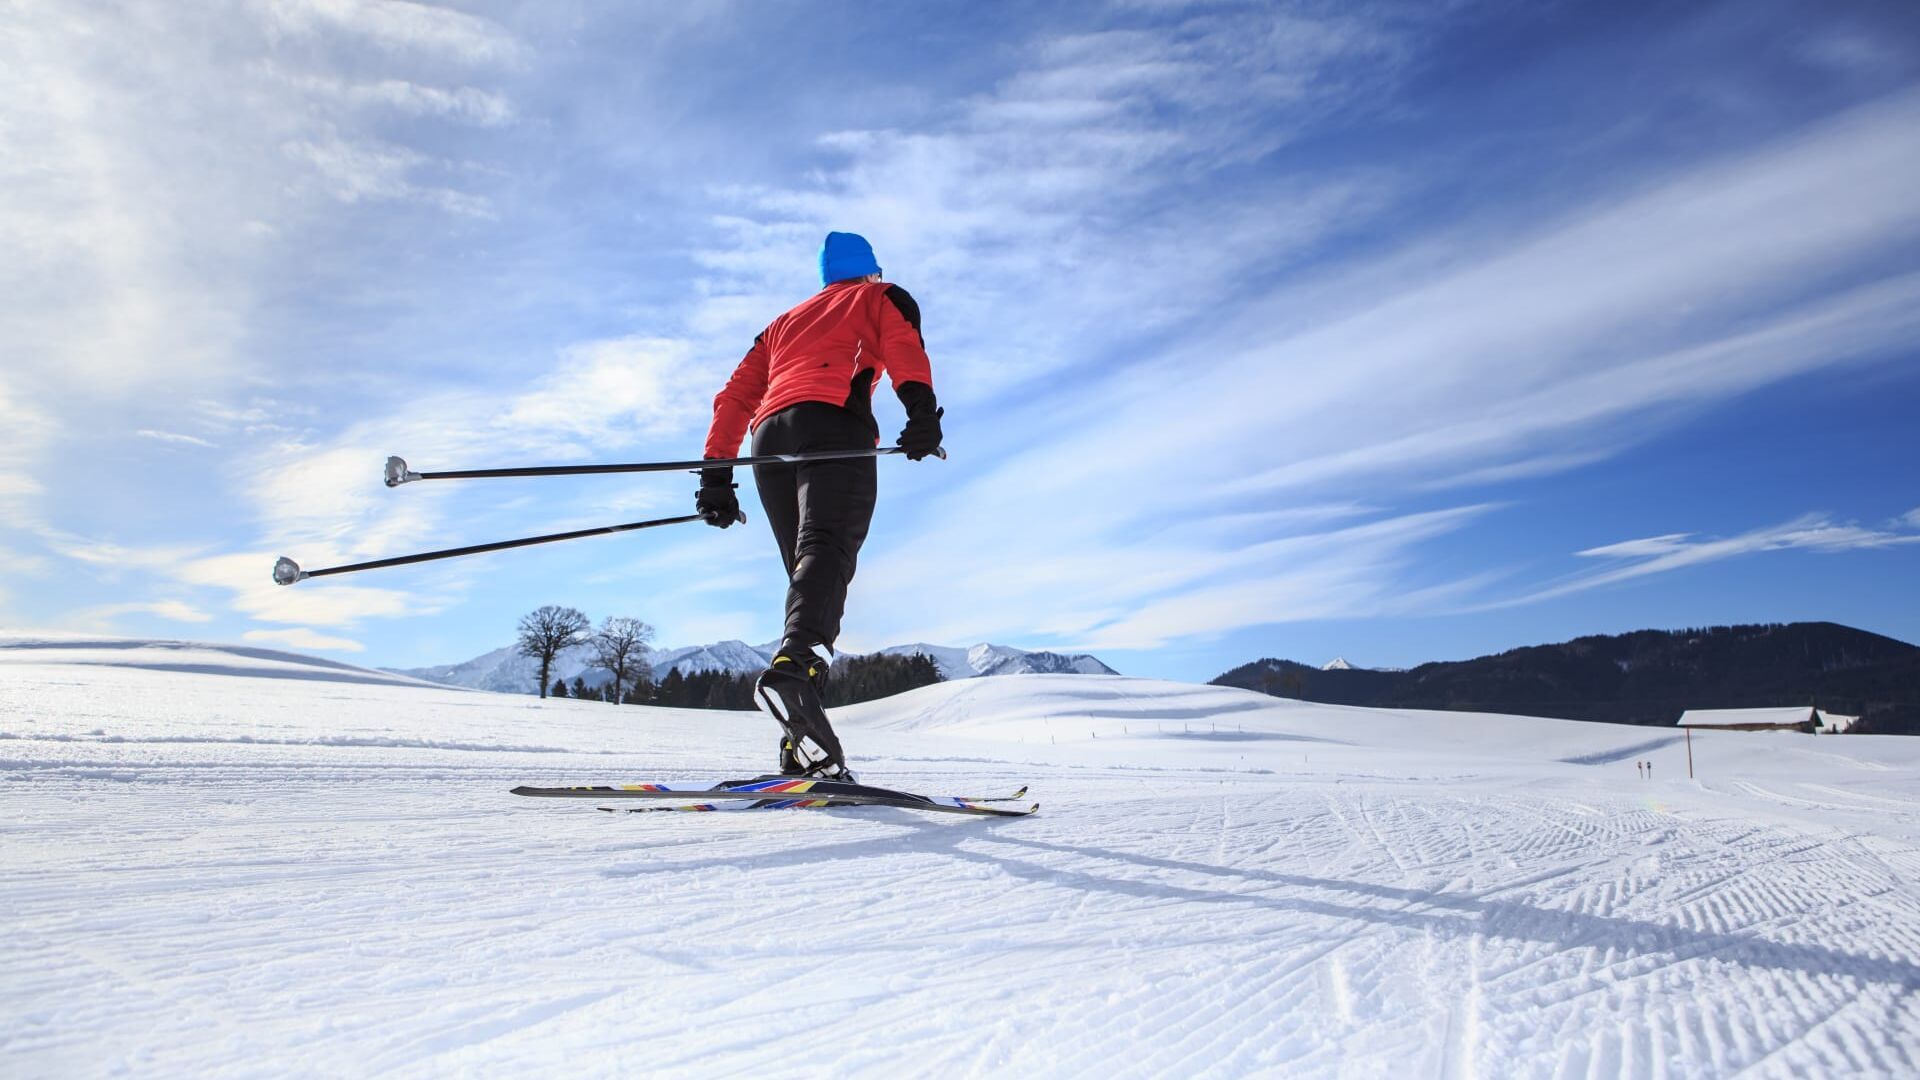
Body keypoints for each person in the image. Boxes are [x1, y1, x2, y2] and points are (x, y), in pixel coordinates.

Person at [695, 231, 943, 778]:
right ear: (871, 270)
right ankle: (797, 672)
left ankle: (802, 741)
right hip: (833, 425)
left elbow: (734, 396)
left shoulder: (781, 323)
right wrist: (922, 413)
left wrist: (717, 476)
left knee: (808, 577)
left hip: (769, 441)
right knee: (825, 553)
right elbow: (904, 348)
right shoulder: (879, 298)